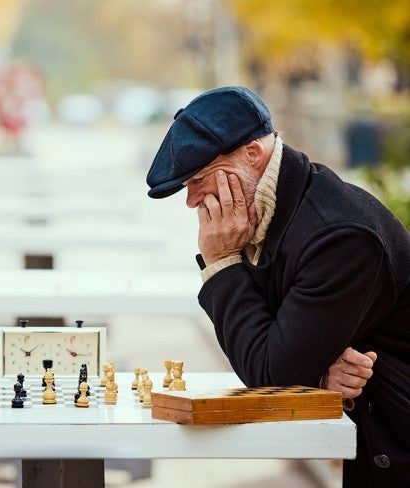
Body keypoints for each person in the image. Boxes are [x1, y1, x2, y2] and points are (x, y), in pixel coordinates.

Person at [146, 86, 409, 487]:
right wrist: (314, 371)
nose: (191, 200)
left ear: (253, 154)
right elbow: (278, 354)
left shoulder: (339, 236)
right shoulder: (279, 210)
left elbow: (270, 375)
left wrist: (222, 263)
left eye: (199, 179)